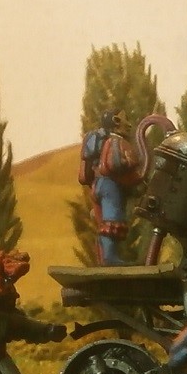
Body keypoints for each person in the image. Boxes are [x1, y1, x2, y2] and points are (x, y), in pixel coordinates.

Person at [79, 109, 142, 265]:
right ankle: (109, 257)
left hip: (97, 185)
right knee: (112, 220)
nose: (129, 124)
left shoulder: (99, 142)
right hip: (110, 186)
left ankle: (105, 257)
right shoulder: (115, 142)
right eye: (125, 119)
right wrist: (131, 161)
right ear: (116, 121)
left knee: (103, 222)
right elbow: (115, 164)